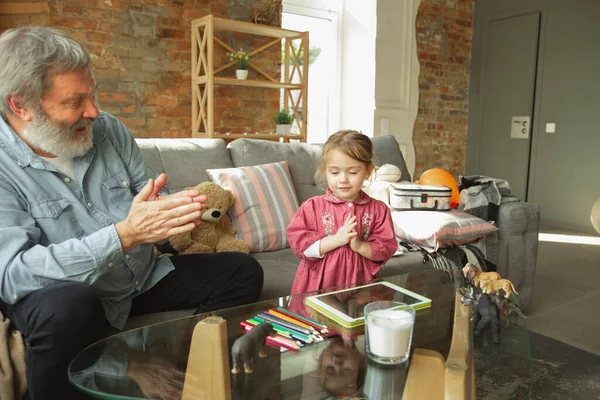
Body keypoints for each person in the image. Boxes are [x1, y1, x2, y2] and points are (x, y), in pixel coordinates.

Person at [0, 26, 263, 399]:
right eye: (75, 102)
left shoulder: (109, 130)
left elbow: (147, 199)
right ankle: (126, 366)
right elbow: (13, 275)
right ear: (20, 106)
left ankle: (187, 374)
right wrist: (124, 235)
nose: (93, 111)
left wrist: (171, 212)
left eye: (92, 94)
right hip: (67, 293)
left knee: (241, 270)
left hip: (138, 276)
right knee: (68, 307)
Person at [286, 130, 397, 296]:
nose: (343, 179)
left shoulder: (378, 210)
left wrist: (360, 246)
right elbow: (302, 247)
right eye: (334, 172)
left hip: (361, 287)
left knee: (354, 321)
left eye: (352, 172)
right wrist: (336, 240)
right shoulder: (312, 207)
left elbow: (385, 248)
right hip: (318, 286)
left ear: (368, 171)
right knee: (317, 321)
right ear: (325, 171)